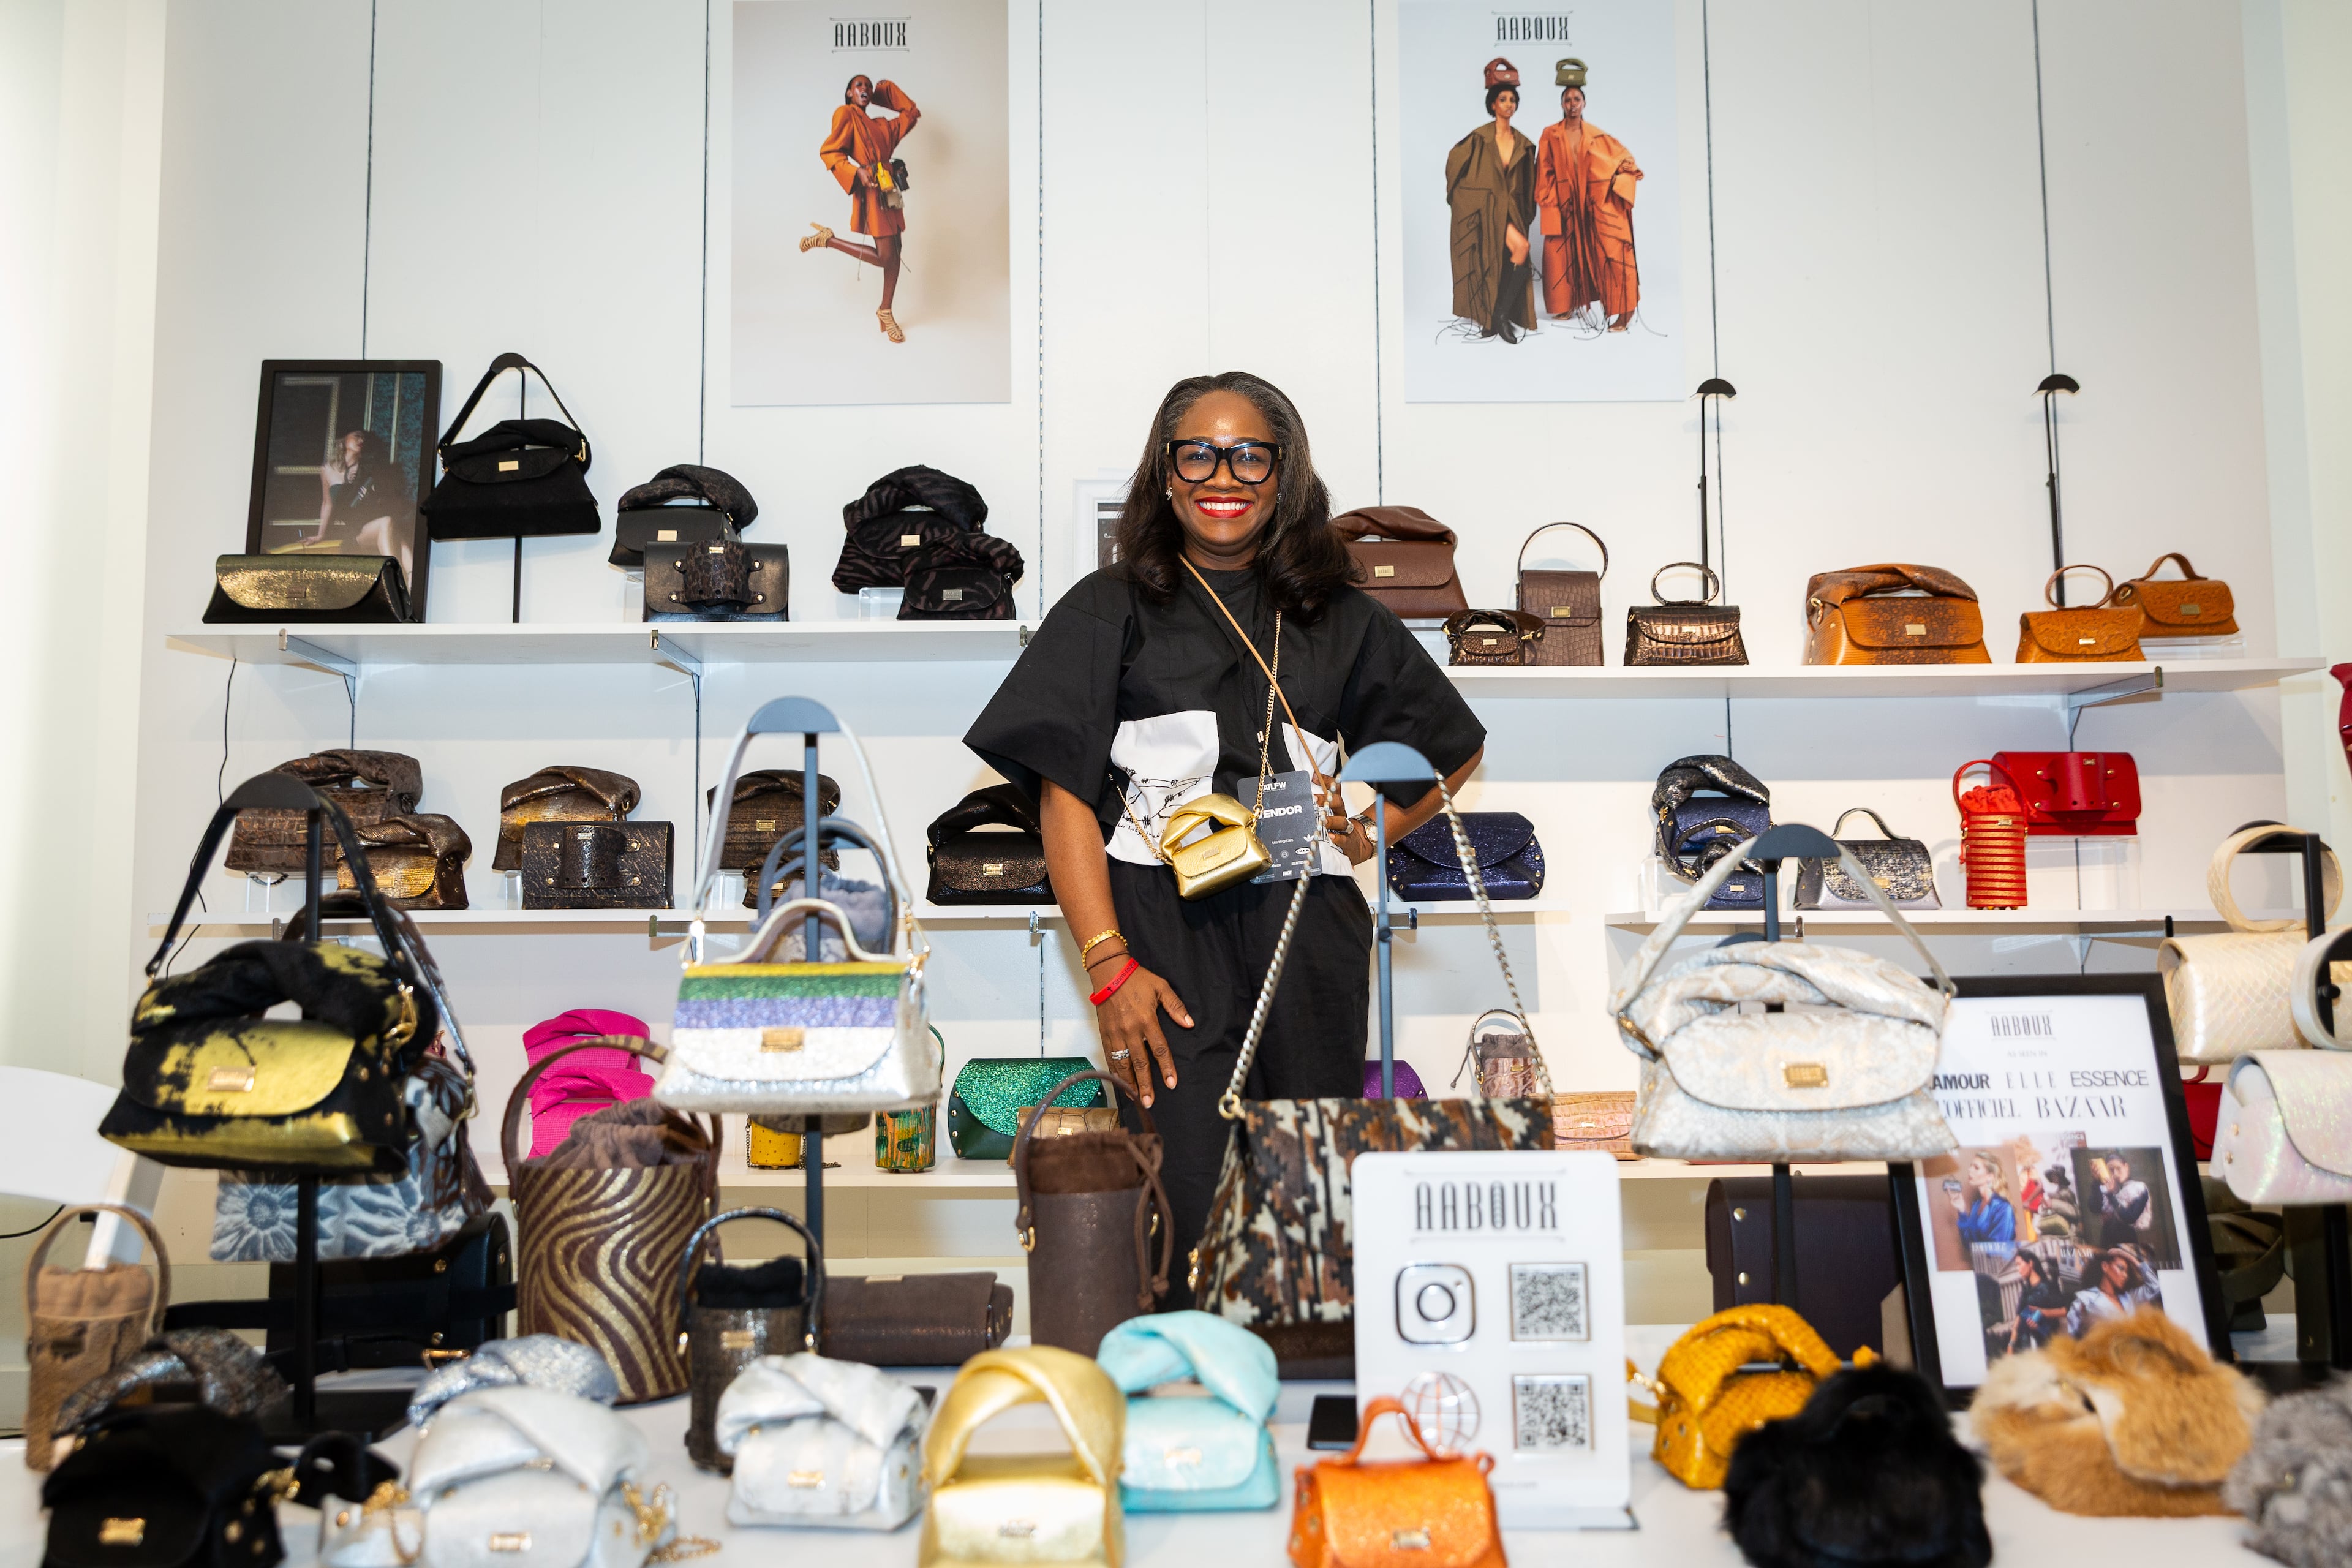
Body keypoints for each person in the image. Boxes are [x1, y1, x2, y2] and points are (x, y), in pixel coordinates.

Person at [964, 371, 1486, 1299]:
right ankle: (1185, 1399)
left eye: (1251, 453)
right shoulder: (1109, 606)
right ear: (1165, 472)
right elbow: (1065, 798)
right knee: (1186, 1196)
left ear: (1283, 474)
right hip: (1162, 938)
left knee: (1307, 1203)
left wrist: (1367, 829)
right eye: (1197, 451)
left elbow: (1447, 750)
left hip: (1307, 926)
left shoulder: (1339, 616)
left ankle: (1299, 1401)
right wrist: (1107, 964)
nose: (1224, 474)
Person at [802, 74, 920, 344]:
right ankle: (828, 240)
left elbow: (911, 113)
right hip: (871, 189)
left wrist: (885, 91)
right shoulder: (846, 114)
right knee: (885, 256)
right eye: (859, 86)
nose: (865, 89)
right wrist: (855, 172)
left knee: (896, 252)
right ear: (848, 93)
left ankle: (886, 310)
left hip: (889, 189)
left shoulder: (881, 125)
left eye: (868, 86)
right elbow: (830, 151)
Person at [1534, 60, 1641, 331]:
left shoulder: (1595, 136)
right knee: (1560, 254)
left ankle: (1625, 312)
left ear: (1584, 103)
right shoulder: (1550, 134)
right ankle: (1566, 304)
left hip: (1592, 204)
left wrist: (1618, 182)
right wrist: (1548, 201)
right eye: (1568, 99)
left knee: (1611, 252)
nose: (1572, 104)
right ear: (1562, 104)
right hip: (1564, 203)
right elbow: (1543, 169)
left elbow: (1623, 160)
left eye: (1577, 99)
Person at [1445, 58, 1537, 342]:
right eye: (1503, 99)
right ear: (1493, 105)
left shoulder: (1523, 143)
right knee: (1486, 262)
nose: (1509, 104)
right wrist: (1468, 201)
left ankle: (1499, 314)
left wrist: (1523, 210)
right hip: (1485, 210)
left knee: (1520, 248)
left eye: (1512, 100)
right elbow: (1454, 167)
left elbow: (1528, 183)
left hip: (1510, 211)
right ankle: (1491, 318)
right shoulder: (1479, 139)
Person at [306, 428, 415, 587]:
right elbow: (327, 503)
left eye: (363, 439)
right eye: (356, 437)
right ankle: (404, 577)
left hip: (371, 522)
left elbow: (385, 496)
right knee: (390, 527)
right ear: (344, 441)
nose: (360, 440)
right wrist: (320, 535)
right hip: (354, 530)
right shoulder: (327, 469)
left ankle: (401, 578)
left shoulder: (367, 469)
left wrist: (374, 491)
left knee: (388, 523)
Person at [2065, 1247, 2160, 1337]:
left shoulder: (2129, 1297)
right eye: (2121, 1268)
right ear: (2105, 1267)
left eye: (2127, 1272)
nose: (2125, 1276)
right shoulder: (2086, 1299)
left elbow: (2155, 1286)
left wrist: (2130, 1258)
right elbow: (2071, 1335)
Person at [2007, 1250, 2071, 1353]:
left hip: (2047, 1344)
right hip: (2026, 1346)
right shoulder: (2025, 1291)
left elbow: (2066, 1310)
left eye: (2019, 1264)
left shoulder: (2049, 1287)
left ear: (2030, 1263)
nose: (2018, 1269)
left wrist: (2044, 1313)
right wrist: (2011, 1344)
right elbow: (2018, 1319)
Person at [1951, 1151, 2016, 1248]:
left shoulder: (2003, 1208)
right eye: (1971, 1166)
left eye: (1976, 1168)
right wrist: (1962, 1211)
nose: (1970, 1170)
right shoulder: (1976, 1206)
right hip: (1979, 1262)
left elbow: (1999, 1249)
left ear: (1990, 1176)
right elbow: (1968, 1244)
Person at [2092, 1152, 2154, 1250]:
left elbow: (2130, 1217)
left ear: (2126, 1167)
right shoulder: (2106, 1188)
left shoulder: (2138, 1188)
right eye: (2111, 1170)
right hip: (2107, 1241)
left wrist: (2111, 1196)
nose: (2115, 1174)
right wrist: (2096, 1181)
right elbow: (2094, 1208)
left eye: (2119, 1168)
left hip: (2127, 1241)